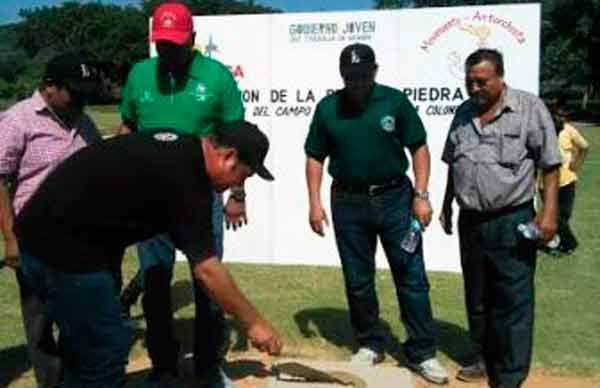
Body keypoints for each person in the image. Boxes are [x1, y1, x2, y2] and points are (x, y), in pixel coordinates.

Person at [14, 120, 282, 387]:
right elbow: (207, 269)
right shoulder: (188, 178)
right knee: (104, 355)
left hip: (40, 237)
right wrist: (255, 324)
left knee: (81, 350)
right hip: (66, 251)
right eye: (244, 176)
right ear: (228, 157)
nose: (239, 184)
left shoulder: (180, 146)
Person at [117, 2, 248, 384]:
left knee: (207, 283)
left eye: (176, 43)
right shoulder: (140, 74)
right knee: (155, 285)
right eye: (162, 44)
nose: (168, 51)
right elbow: (126, 127)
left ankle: (208, 366)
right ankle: (164, 367)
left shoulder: (217, 76)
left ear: (192, 39)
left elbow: (237, 139)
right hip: (149, 202)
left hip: (200, 200)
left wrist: (237, 192)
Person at [304, 43, 449, 385]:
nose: (357, 81)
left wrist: (422, 195)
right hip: (347, 203)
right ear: (342, 75)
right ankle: (370, 344)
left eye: (363, 74)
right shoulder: (327, 108)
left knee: (411, 277)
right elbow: (314, 157)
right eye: (350, 76)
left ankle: (423, 351)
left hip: (396, 200)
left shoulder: (394, 101)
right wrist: (314, 202)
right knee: (358, 281)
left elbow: (419, 147)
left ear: (375, 71)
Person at [440, 49, 560, 388]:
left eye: (482, 81)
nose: (474, 88)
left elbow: (550, 164)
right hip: (471, 221)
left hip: (512, 220)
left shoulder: (528, 108)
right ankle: (484, 358)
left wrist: (549, 213)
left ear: (500, 77)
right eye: (469, 81)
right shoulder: (463, 114)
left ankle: (509, 376)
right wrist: (449, 202)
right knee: (477, 298)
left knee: (513, 300)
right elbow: (455, 163)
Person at [0, 52, 102, 388]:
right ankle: (51, 381)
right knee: (40, 319)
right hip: (33, 238)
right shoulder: (17, 121)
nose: (82, 99)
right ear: (49, 87)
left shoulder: (84, 123)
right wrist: (11, 238)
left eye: (87, 92)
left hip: (80, 239)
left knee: (80, 316)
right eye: (75, 92)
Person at [540, 101, 589, 255]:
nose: (560, 119)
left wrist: (576, 164)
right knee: (554, 215)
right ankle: (569, 244)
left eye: (563, 116)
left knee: (564, 215)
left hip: (567, 181)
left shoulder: (569, 131)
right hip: (546, 183)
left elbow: (584, 146)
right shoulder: (542, 132)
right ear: (551, 115)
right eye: (557, 115)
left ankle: (556, 243)